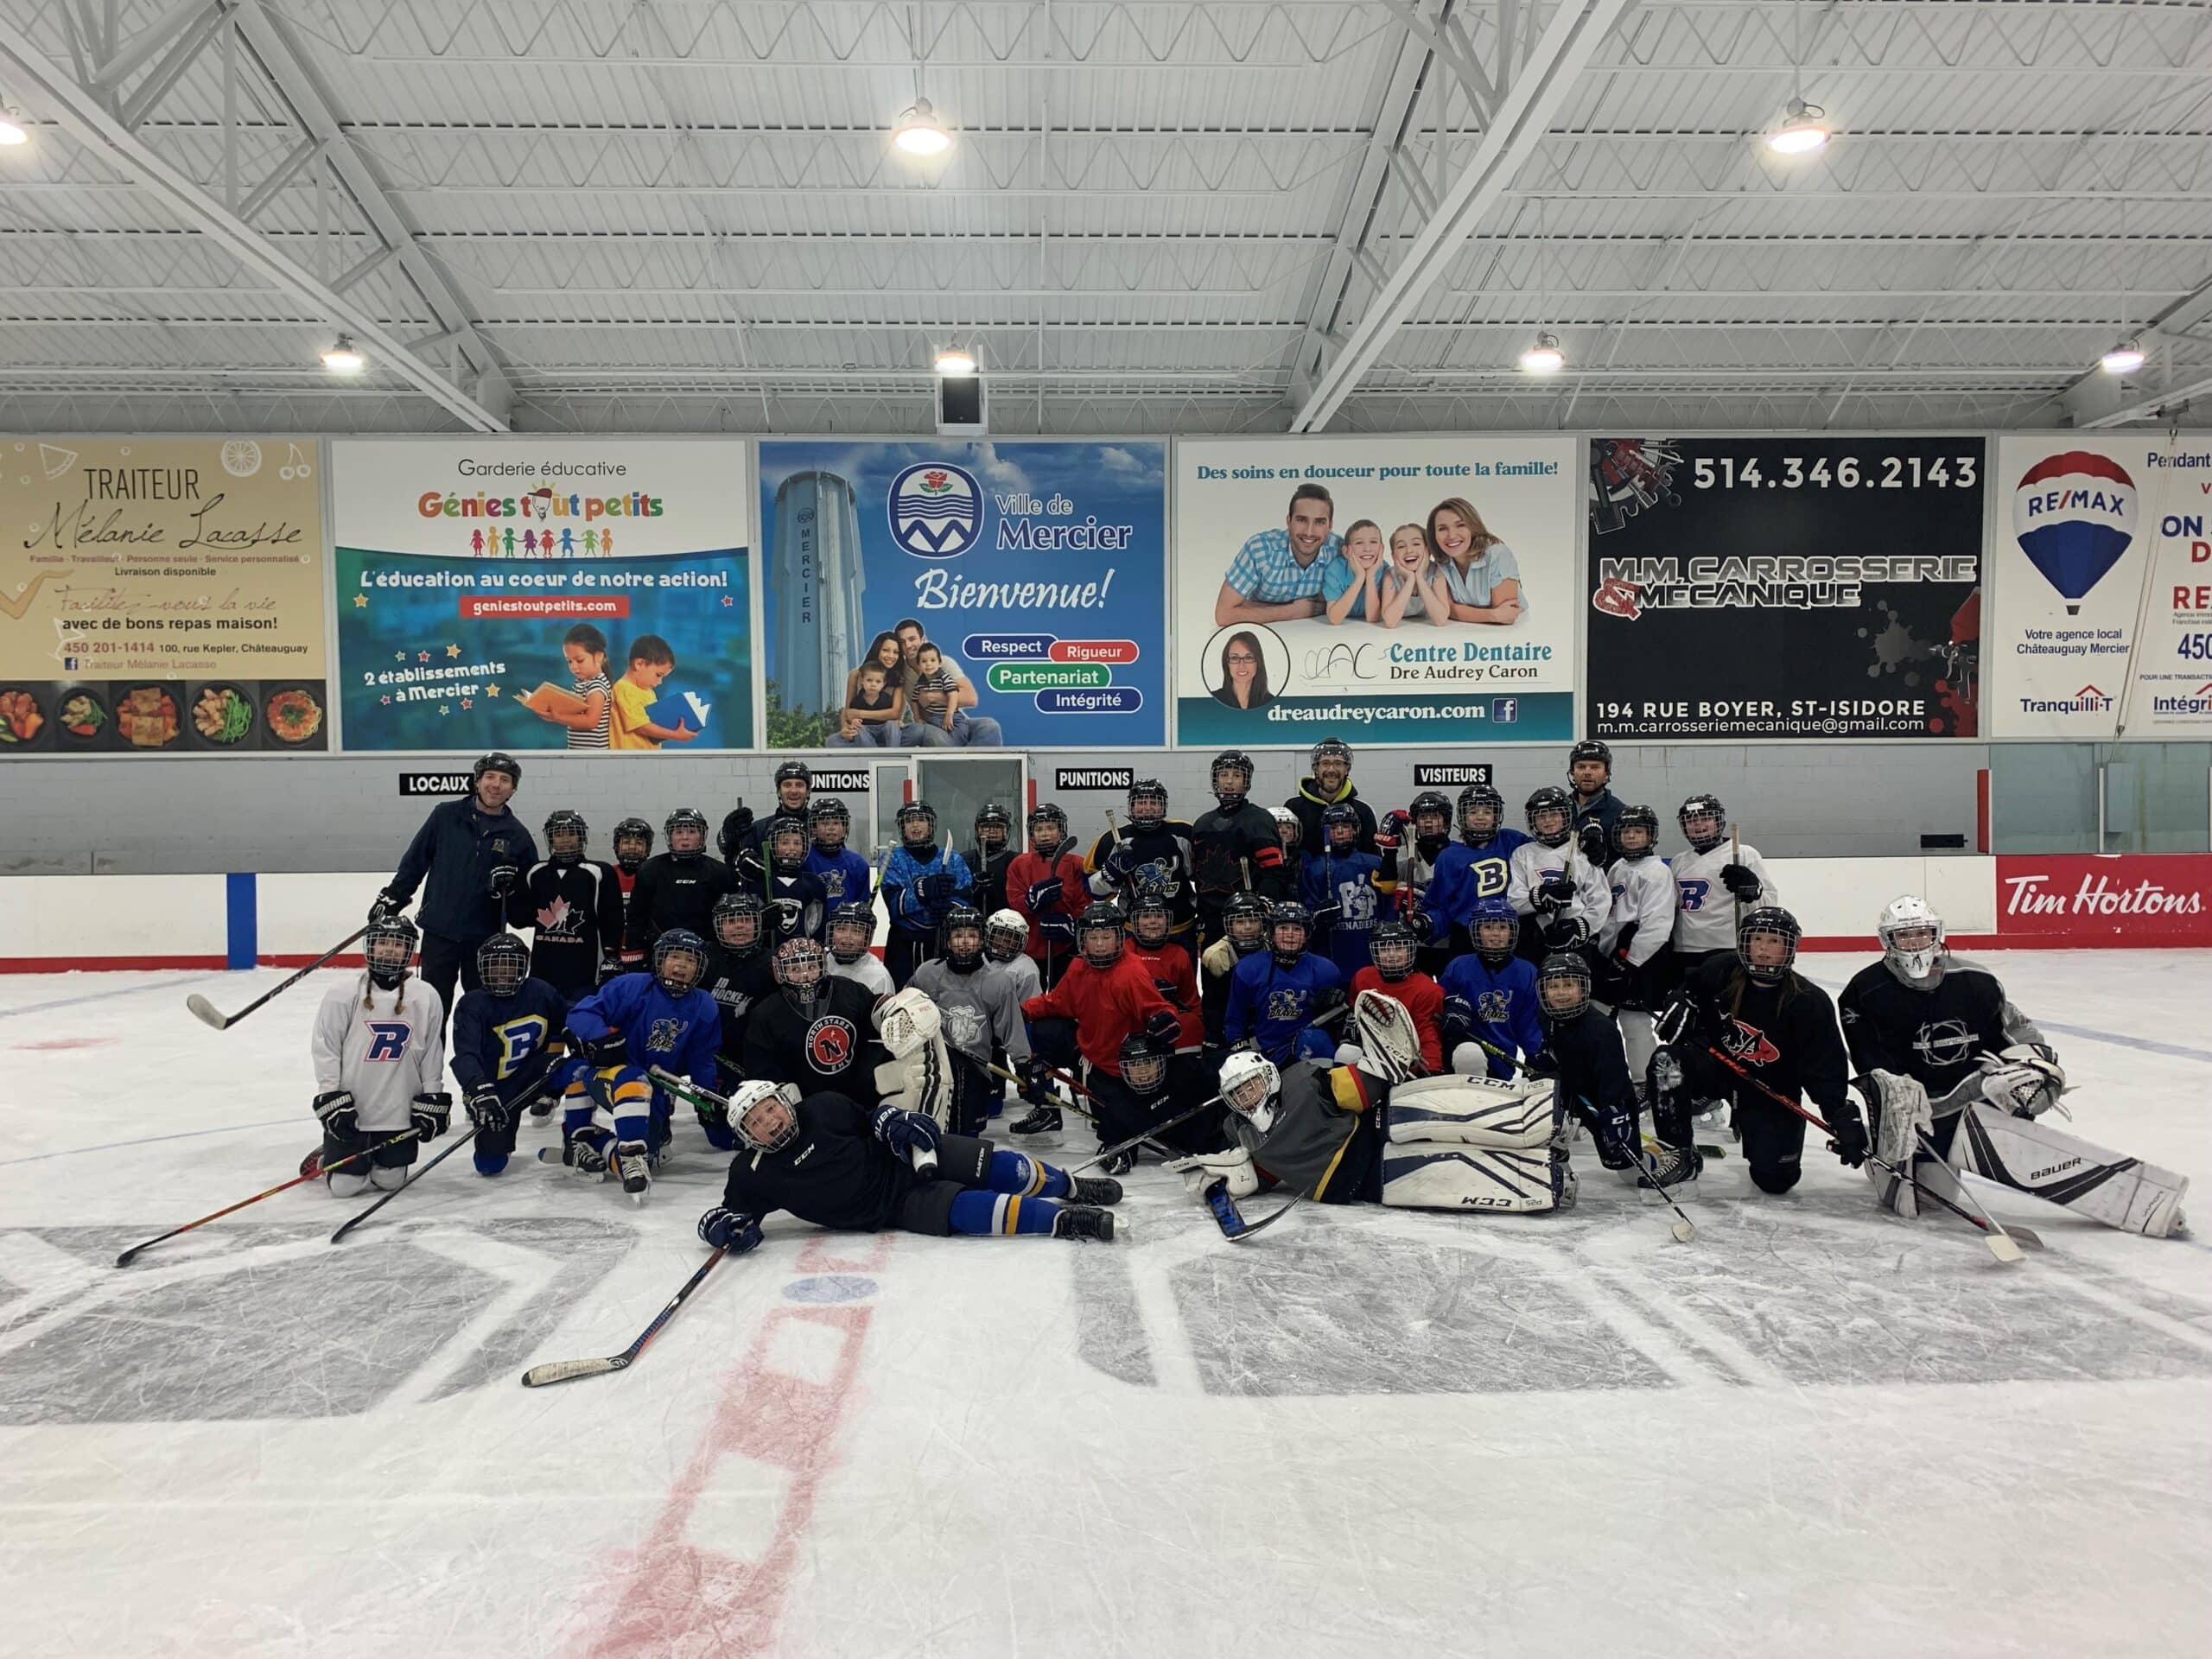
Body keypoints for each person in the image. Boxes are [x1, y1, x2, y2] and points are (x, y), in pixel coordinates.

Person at [1838, 897, 2186, 1238]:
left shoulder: (1976, 981)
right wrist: (1894, 1101)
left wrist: (2038, 1065)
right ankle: (1878, 1151)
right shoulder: (1864, 991)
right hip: (1916, 1112)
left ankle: (2141, 1200)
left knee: (2014, 1089)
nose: (1915, 944)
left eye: (1922, 934)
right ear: (1888, 941)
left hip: (1976, 1098)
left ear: (1937, 934)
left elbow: (2020, 1034)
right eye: (1905, 936)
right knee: (1932, 1199)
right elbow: (1869, 1062)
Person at [1170, 1003, 1571, 1214]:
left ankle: (1541, 1116)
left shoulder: (1304, 1080)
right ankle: (1544, 1178)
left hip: (1375, 1128)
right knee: (1454, 1169)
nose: (1249, 1098)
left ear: (1268, 1077)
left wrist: (1378, 1063)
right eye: (1239, 1094)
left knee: (1442, 1114)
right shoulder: (1244, 1134)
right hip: (1363, 1184)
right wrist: (1216, 1181)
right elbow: (1265, 1174)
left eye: (1252, 1085)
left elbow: (1364, 1091)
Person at [696, 1079, 1122, 1254]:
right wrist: (722, 1230)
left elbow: (869, 1119)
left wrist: (892, 1120)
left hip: (905, 1158)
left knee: (1004, 1168)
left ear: (782, 1101)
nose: (769, 1122)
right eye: (755, 1123)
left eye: (769, 1109)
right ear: (749, 1136)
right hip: (893, 1207)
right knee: (972, 1211)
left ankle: (1069, 1186)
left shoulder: (821, 1108)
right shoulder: (752, 1172)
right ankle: (1068, 1220)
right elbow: (723, 1216)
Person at [1646, 906, 1867, 1196]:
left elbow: (1824, 1069)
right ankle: (1678, 1153)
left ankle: (1751, 1122)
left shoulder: (1809, 1002)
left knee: (1775, 1181)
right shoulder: (1720, 970)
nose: (1763, 950)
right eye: (1757, 940)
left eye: (1774, 942)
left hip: (1769, 1087)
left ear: (1790, 948)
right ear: (1744, 943)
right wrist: (1680, 1002)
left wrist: (1840, 1114)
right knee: (1667, 1062)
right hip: (1717, 1068)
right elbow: (1689, 989)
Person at [371, 750, 539, 1034]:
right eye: (489, 777)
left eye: (505, 780)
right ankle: (428, 1078)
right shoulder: (445, 815)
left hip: (485, 943)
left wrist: (509, 890)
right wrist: (393, 897)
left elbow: (525, 907)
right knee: (432, 1012)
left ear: (514, 789)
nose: (495, 785)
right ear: (477, 781)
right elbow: (416, 861)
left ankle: (478, 1076)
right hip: (440, 934)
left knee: (481, 1014)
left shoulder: (518, 836)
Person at [556, 930, 725, 1200]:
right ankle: (581, 1134)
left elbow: (702, 1056)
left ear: (700, 968)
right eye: (675, 957)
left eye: (690, 960)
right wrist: (602, 1037)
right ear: (659, 960)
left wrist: (705, 1095)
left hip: (652, 1088)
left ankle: (592, 1143)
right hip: (608, 1075)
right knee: (633, 1080)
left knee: (652, 1157)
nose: (681, 965)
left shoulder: (704, 1004)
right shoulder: (632, 986)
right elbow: (581, 1013)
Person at [1015, 902, 1183, 1160]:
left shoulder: (1131, 972)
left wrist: (1164, 1021)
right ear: (1084, 939)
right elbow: (1058, 1002)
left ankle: (1119, 1140)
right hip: (1088, 1053)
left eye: (1107, 937)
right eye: (1094, 938)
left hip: (1121, 1068)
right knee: (1042, 1030)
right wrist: (1021, 1011)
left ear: (1119, 938)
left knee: (1116, 1123)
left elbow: (1159, 1009)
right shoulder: (1078, 967)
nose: (1101, 944)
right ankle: (1052, 1101)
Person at [304, 913, 449, 1195]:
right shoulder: (343, 993)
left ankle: (364, 1158)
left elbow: (432, 1050)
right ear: (370, 946)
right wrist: (331, 1094)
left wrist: (432, 1094)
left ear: (409, 950)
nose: (388, 949)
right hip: (354, 1108)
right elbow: (327, 1048)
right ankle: (328, 1157)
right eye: (382, 942)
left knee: (390, 1181)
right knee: (346, 1187)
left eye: (397, 944)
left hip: (399, 1109)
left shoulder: (426, 995)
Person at [904, 906, 1033, 1137]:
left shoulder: (998, 981)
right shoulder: (927, 974)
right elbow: (905, 1012)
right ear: (947, 940)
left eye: (972, 936)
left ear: (982, 940)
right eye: (958, 936)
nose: (965, 943)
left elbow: (1011, 1028)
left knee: (967, 1133)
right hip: (933, 1067)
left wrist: (1024, 1064)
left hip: (977, 1069)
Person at [449, 932, 569, 1176]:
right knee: (490, 1165)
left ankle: (580, 1135)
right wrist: (479, 1089)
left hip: (533, 1073)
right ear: (482, 968)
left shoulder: (541, 991)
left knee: (579, 1067)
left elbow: (567, 1024)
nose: (503, 972)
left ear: (523, 966)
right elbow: (465, 1056)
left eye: (510, 964)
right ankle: (478, 1107)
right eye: (496, 965)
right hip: (496, 1089)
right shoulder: (472, 1004)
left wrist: (575, 1040)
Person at [1525, 952, 1643, 1179]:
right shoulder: (1543, 1017)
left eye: (1569, 985)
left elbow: (1614, 1080)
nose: (1560, 993)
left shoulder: (1602, 1029)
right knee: (1545, 1094)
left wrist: (1615, 1115)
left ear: (1583, 987)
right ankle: (1556, 1165)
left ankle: (1656, 1156)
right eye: (1553, 986)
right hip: (1565, 1094)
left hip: (1598, 1102)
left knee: (1627, 1172)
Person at [741, 936, 887, 1103]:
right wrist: (780, 1091)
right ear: (780, 972)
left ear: (822, 965)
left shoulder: (849, 990)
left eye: (811, 966)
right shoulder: (765, 1014)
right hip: (806, 1107)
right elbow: (759, 1070)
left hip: (858, 1096)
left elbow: (875, 1020)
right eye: (795, 969)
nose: (805, 977)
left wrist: (891, 1008)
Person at [1593, 804, 1675, 1079]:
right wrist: (1604, 950)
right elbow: (1610, 914)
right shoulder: (1618, 867)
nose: (1631, 837)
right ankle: (1604, 1077)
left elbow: (1657, 925)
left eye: (1638, 831)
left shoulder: (1657, 871)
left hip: (1640, 960)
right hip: (1614, 955)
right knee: (1597, 1017)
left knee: (1635, 1022)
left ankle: (1645, 1082)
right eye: (1626, 831)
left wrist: (1630, 962)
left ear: (1651, 836)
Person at [506, 808, 624, 999]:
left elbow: (612, 919)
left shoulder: (599, 872)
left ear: (581, 837)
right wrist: (508, 890)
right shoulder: (535, 872)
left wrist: (611, 955)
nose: (566, 839)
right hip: (543, 971)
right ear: (550, 839)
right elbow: (520, 920)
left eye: (572, 833)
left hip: (585, 972)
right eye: (558, 834)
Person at [1223, 900, 1344, 1065]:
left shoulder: (1326, 970)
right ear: (1271, 933)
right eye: (1283, 928)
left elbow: (1338, 1025)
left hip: (1306, 1050)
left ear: (1307, 933)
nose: (1290, 935)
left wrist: (1331, 1008)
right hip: (1263, 1052)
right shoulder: (1248, 968)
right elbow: (1235, 1017)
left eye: (1297, 929)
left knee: (1317, 1041)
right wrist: (1237, 1045)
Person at [1189, 748, 1290, 945]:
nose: (1228, 782)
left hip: (1247, 921)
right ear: (1215, 779)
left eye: (1236, 775)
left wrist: (1263, 909)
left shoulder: (1259, 820)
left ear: (1246, 781)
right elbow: (1197, 875)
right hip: (1211, 921)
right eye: (1223, 775)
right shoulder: (1202, 823)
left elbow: (1274, 874)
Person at [1669, 794, 1776, 977]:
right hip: (1685, 950)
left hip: (1727, 948)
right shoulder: (1679, 861)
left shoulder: (1744, 854)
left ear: (1719, 821)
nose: (1698, 824)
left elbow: (1769, 903)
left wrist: (1752, 891)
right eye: (1691, 820)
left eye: (1706, 818)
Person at [1440, 898, 1543, 1078]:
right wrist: (1450, 1016)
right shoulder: (1458, 967)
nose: (1495, 934)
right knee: (1469, 1055)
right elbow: (1438, 1009)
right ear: (1476, 931)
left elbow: (1530, 1026)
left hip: (1502, 1063)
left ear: (1512, 931)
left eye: (1503, 928)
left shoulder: (1527, 972)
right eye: (1488, 928)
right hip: (1461, 1055)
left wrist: (1537, 1059)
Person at [1425, 783, 1528, 963]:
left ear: (1496, 816)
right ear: (1463, 816)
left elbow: (1544, 851)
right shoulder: (1449, 856)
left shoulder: (1511, 840)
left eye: (1487, 812)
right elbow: (1440, 903)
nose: (1480, 817)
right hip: (1466, 933)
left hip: (1507, 930)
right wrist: (1428, 923)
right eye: (1473, 812)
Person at [1506, 787, 1611, 964]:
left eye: (1555, 814)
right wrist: (1539, 897)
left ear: (1566, 817)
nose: (1548, 821)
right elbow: (1514, 900)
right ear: (1533, 821)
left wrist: (1581, 926)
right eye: (1541, 816)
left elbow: (1601, 899)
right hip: (1536, 937)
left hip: (1576, 939)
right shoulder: (1522, 854)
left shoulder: (1583, 850)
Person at [1214, 481, 1339, 626]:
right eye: (1301, 520)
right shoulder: (1260, 549)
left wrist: (1252, 607)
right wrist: (1293, 611)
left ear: (1330, 525)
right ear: (1289, 521)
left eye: (1319, 522)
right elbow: (1224, 614)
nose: (1309, 532)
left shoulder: (1340, 551)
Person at [1084, 779, 1197, 940]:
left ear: (1163, 806)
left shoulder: (1184, 833)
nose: (1147, 808)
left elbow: (1202, 879)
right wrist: (1108, 875)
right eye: (1141, 802)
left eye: (1154, 802)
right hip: (1133, 930)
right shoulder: (1112, 840)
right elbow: (1092, 891)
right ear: (1131, 806)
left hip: (1181, 929)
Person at [880, 800, 974, 988]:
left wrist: (949, 909)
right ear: (902, 828)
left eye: (921, 820)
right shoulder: (892, 858)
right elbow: (895, 906)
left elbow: (966, 902)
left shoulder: (953, 858)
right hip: (903, 945)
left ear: (931, 825)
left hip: (941, 941)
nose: (915, 825)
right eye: (909, 821)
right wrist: (924, 890)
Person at [626, 807, 739, 961]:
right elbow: (636, 916)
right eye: (678, 832)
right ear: (670, 836)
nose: (685, 837)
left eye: (692, 832)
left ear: (702, 836)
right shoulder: (649, 869)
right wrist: (635, 953)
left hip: (709, 951)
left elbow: (729, 916)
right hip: (661, 950)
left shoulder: (720, 872)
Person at [1007, 803, 1087, 989]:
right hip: (1028, 949)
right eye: (1039, 829)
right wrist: (1031, 900)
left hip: (1066, 948)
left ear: (1061, 831)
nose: (1044, 834)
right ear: (1032, 834)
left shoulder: (1077, 864)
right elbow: (1015, 903)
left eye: (1050, 828)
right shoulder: (1019, 864)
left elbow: (1083, 905)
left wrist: (1071, 925)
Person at [1350, 920, 1442, 1075]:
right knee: (1346, 1053)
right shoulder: (1362, 977)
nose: (1392, 955)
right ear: (1375, 951)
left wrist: (1432, 1068)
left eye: (1399, 948)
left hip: (1409, 1060)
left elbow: (1427, 1032)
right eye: (1384, 949)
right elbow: (1353, 1010)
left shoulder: (1429, 989)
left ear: (1410, 949)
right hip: (1371, 1052)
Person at [700, 892, 778, 1072]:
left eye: (746, 920)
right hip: (706, 1052)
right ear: (718, 925)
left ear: (758, 923)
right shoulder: (703, 957)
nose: (740, 926)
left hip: (753, 1057)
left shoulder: (773, 963)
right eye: (731, 921)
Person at [1302, 803, 1382, 975]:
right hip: (1333, 951)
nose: (1339, 832)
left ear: (1355, 830)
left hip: (1369, 951)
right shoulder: (1315, 868)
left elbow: (1387, 906)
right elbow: (1307, 908)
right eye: (1333, 827)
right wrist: (1318, 916)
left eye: (1345, 826)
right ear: (1325, 832)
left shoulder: (1374, 864)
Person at [1122, 893, 1203, 1059]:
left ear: (1168, 921)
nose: (1153, 921)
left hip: (1165, 1026)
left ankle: (1182, 1072)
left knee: (1191, 1023)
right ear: (1135, 921)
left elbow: (1191, 1003)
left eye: (1159, 916)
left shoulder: (1179, 954)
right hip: (1130, 1023)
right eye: (1146, 916)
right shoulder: (1122, 952)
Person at [1428, 497, 1523, 626]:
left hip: (1513, 633)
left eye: (1460, 525)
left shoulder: (1498, 554)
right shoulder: (1441, 561)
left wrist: (1461, 611)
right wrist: (1493, 615)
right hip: (1466, 632)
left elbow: (1507, 617)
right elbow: (1446, 610)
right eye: (1442, 529)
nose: (1451, 535)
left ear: (1473, 527)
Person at [1199, 890, 1271, 1056]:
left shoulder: (1274, 945)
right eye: (1240, 921)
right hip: (1232, 1023)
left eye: (1253, 920)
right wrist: (1215, 1039)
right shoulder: (1214, 956)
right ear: (1229, 925)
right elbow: (1213, 1006)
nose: (1247, 927)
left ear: (1263, 923)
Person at [522, 621, 612, 748]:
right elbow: (574, 714)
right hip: (577, 751)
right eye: (569, 661)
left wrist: (558, 717)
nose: (573, 667)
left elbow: (591, 721)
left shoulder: (597, 686)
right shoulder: (580, 683)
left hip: (593, 756)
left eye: (580, 660)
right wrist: (552, 712)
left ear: (598, 656)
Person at [1283, 736, 1376, 855]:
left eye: (1338, 763)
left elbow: (1373, 858)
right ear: (1316, 769)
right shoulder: (1293, 808)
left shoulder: (1363, 811)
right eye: (1325, 763)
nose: (1331, 769)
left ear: (1347, 769)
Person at [902, 640, 1004, 747]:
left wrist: (949, 714)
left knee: (979, 727)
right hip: (934, 720)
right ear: (919, 665)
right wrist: (917, 718)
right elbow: (914, 701)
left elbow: (954, 694)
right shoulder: (920, 683)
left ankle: (962, 754)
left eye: (932, 660)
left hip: (952, 716)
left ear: (939, 663)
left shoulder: (944, 677)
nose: (929, 664)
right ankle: (959, 755)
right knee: (933, 736)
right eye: (924, 661)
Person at [721, 761, 812, 874]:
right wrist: (729, 836)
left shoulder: (820, 828)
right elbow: (732, 860)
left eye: (799, 785)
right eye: (787, 785)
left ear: (808, 791)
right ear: (779, 791)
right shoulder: (758, 829)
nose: (793, 791)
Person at [609, 633, 698, 748]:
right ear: (639, 664)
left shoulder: (647, 691)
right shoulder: (624, 689)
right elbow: (641, 726)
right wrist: (675, 735)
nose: (660, 682)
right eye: (658, 675)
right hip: (630, 758)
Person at [756, 816, 828, 946]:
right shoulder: (759, 880)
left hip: (800, 960)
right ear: (772, 845)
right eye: (784, 842)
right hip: (765, 956)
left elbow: (817, 926)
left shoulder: (814, 884)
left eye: (797, 843)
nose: (792, 848)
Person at [804, 798, 875, 913]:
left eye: (836, 823)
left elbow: (862, 904)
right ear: (814, 828)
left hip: (845, 929)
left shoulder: (858, 864)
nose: (831, 828)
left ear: (844, 828)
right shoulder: (804, 860)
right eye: (824, 823)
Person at [1379, 523, 1450, 629]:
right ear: (1394, 556)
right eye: (1401, 546)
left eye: (1416, 544)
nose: (1409, 550)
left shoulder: (1436, 572)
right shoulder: (1390, 576)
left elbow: (1441, 620)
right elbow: (1390, 622)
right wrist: (1410, 580)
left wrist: (1420, 577)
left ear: (1428, 551)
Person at [608, 817, 653, 974]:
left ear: (648, 848)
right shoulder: (607, 875)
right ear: (616, 846)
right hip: (610, 952)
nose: (632, 848)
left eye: (639, 843)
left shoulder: (654, 875)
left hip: (644, 951)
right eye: (626, 842)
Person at [1322, 518, 1387, 624]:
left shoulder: (1384, 571)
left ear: (1382, 549)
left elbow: (1373, 618)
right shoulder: (1335, 570)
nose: (1367, 548)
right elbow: (1334, 619)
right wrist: (1360, 577)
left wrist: (1370, 576)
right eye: (1359, 543)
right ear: (1346, 551)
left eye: (1373, 542)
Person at [825, 900, 893, 997]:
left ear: (867, 937)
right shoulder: (820, 966)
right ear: (832, 932)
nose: (847, 937)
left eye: (857, 931)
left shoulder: (879, 976)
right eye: (841, 929)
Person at [830, 656, 902, 747]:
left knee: (892, 725)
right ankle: (873, 754)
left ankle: (892, 753)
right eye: (869, 680)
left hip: (884, 731)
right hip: (866, 732)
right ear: (862, 681)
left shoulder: (887, 699)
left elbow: (893, 718)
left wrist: (897, 723)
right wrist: (854, 722)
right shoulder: (857, 700)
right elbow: (850, 716)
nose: (873, 684)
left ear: (884, 684)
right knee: (855, 730)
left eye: (878, 682)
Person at [968, 803, 1016, 917]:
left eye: (998, 827)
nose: (992, 831)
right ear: (977, 830)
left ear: (1007, 831)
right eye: (986, 826)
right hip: (972, 929)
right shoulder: (965, 860)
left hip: (1005, 928)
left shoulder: (1016, 861)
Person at [1211, 629, 1273, 710]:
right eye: (1234, 658)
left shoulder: (1272, 704)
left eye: (1248, 657)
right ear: (1227, 663)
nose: (1241, 666)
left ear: (1258, 662)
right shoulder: (1212, 700)